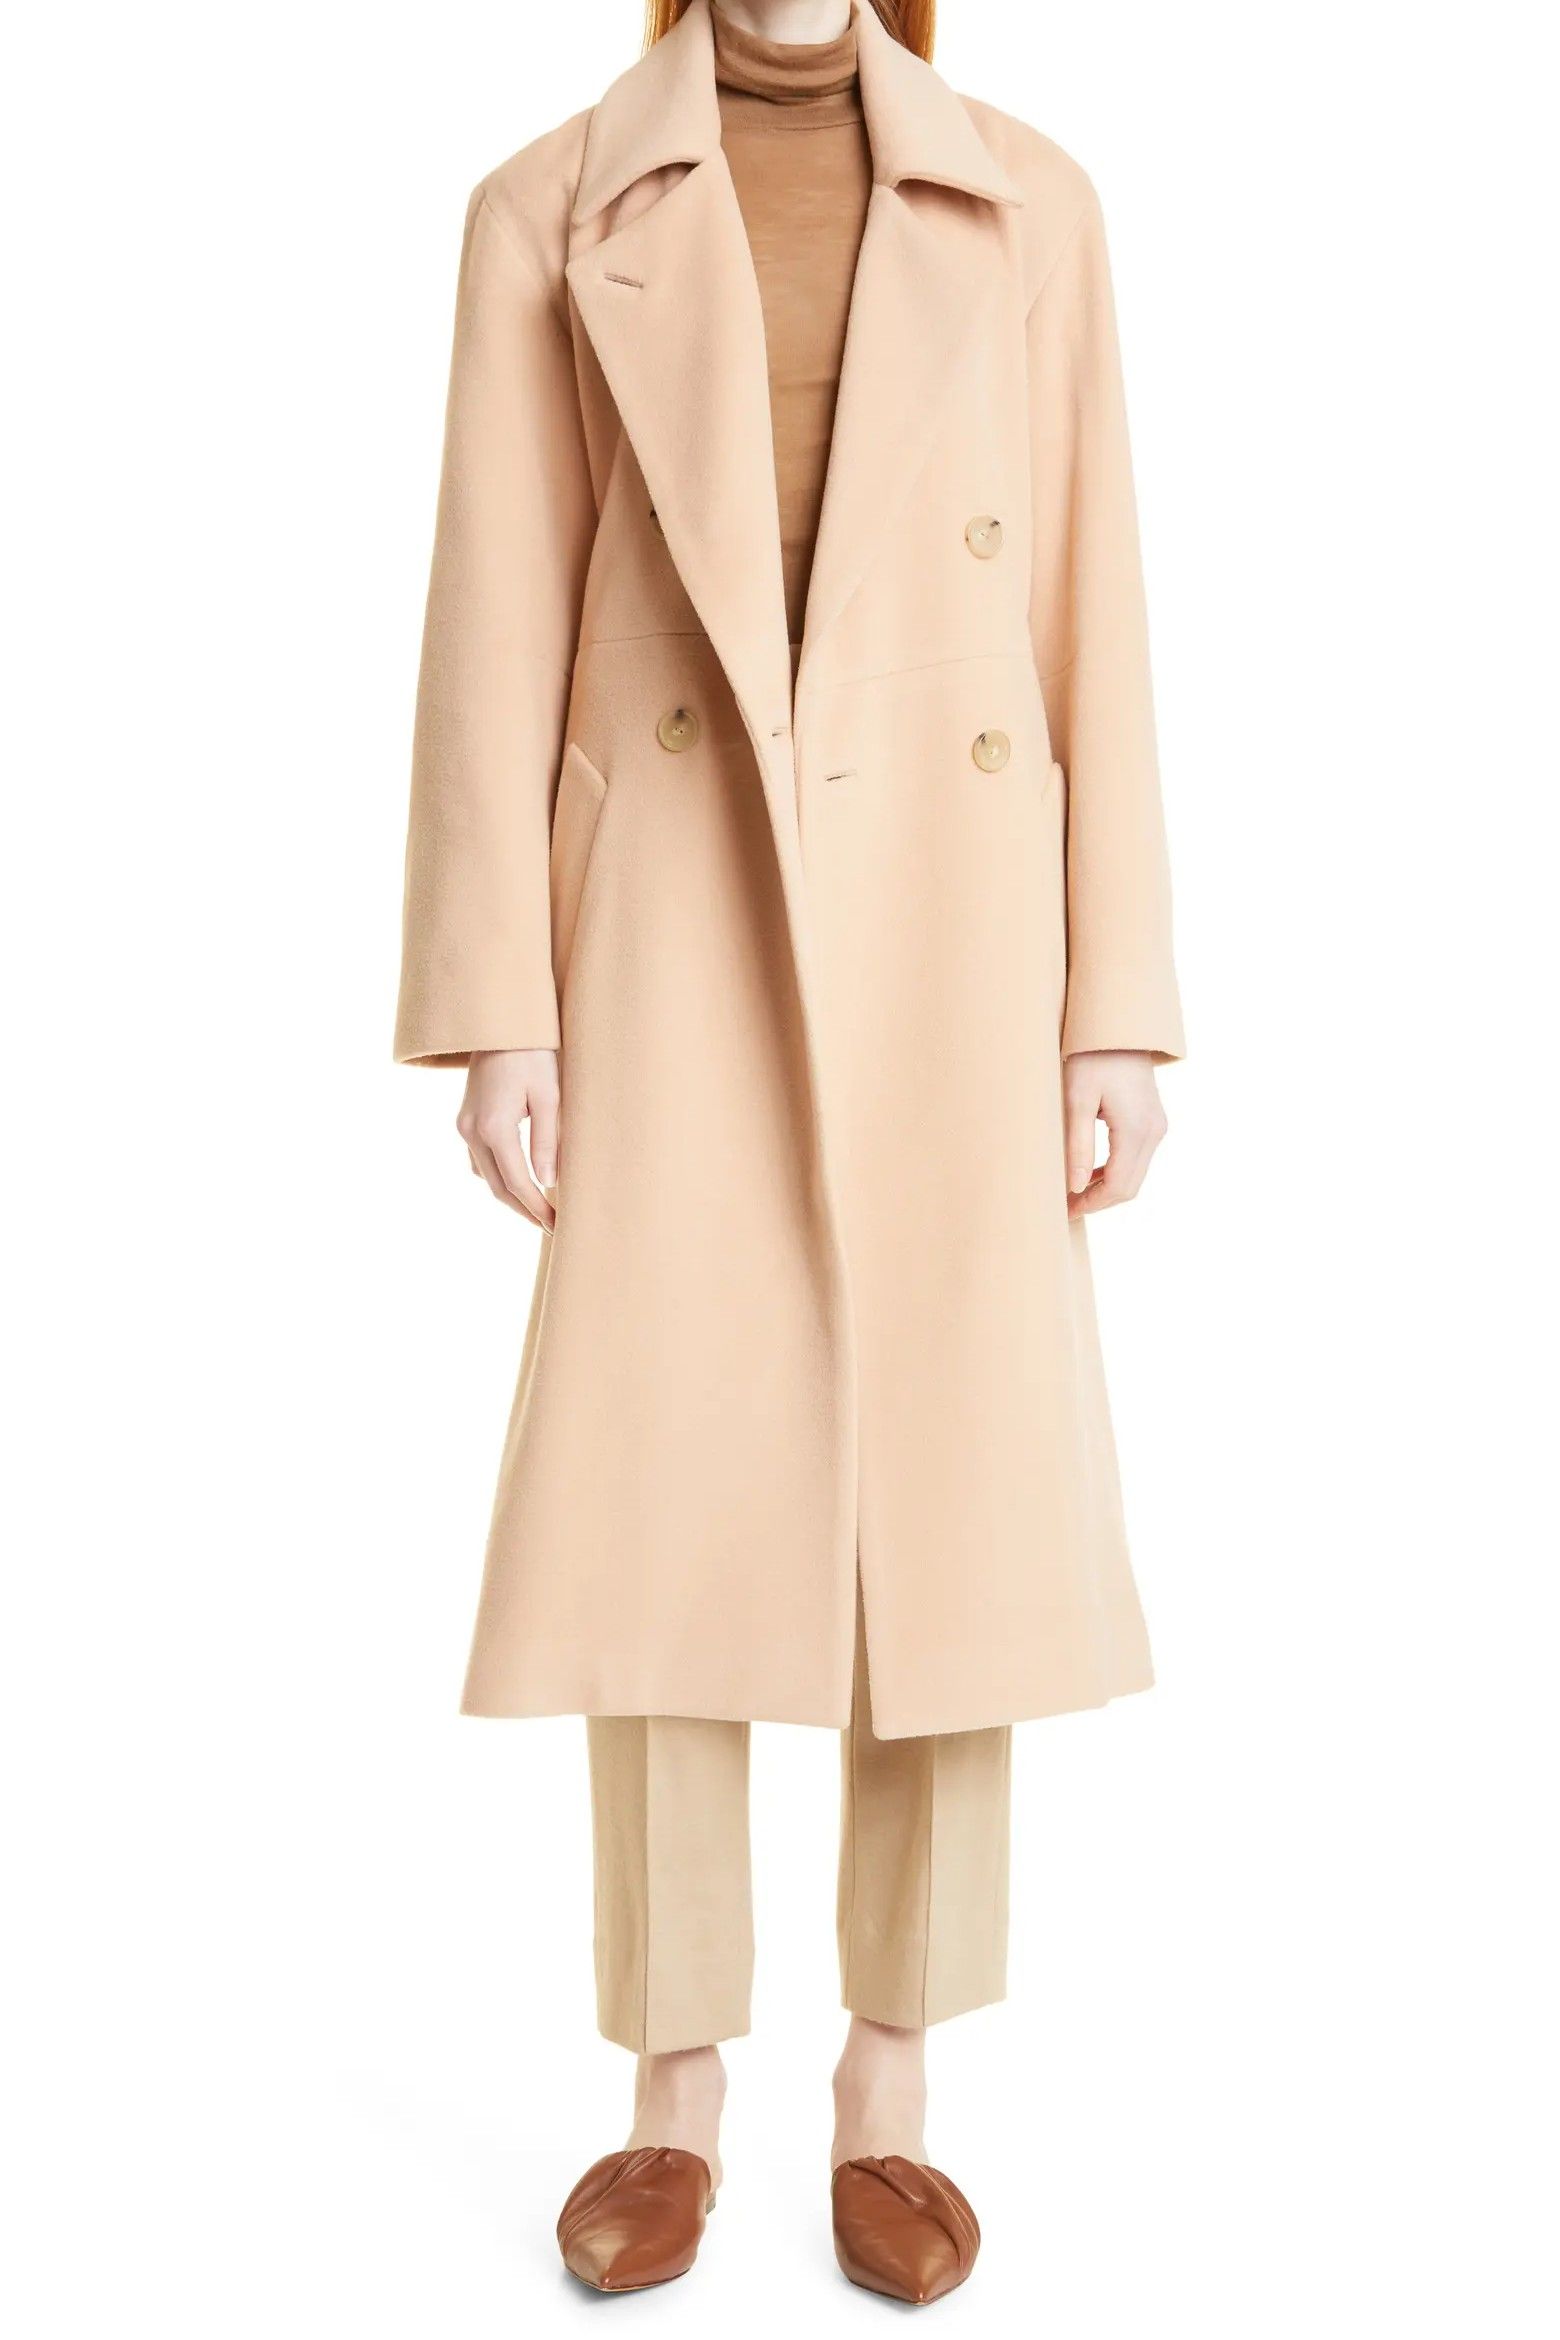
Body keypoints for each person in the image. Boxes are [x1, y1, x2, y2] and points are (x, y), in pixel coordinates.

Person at [395, 0, 1182, 2302]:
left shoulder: (1029, 202)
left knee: (951, 1503)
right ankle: (674, 2093)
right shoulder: (546, 210)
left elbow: (1092, 607)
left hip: (957, 913)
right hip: (674, 894)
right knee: (665, 1484)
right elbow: (492, 612)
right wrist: (498, 1004)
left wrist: (1115, 1000)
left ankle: (891, 2088)